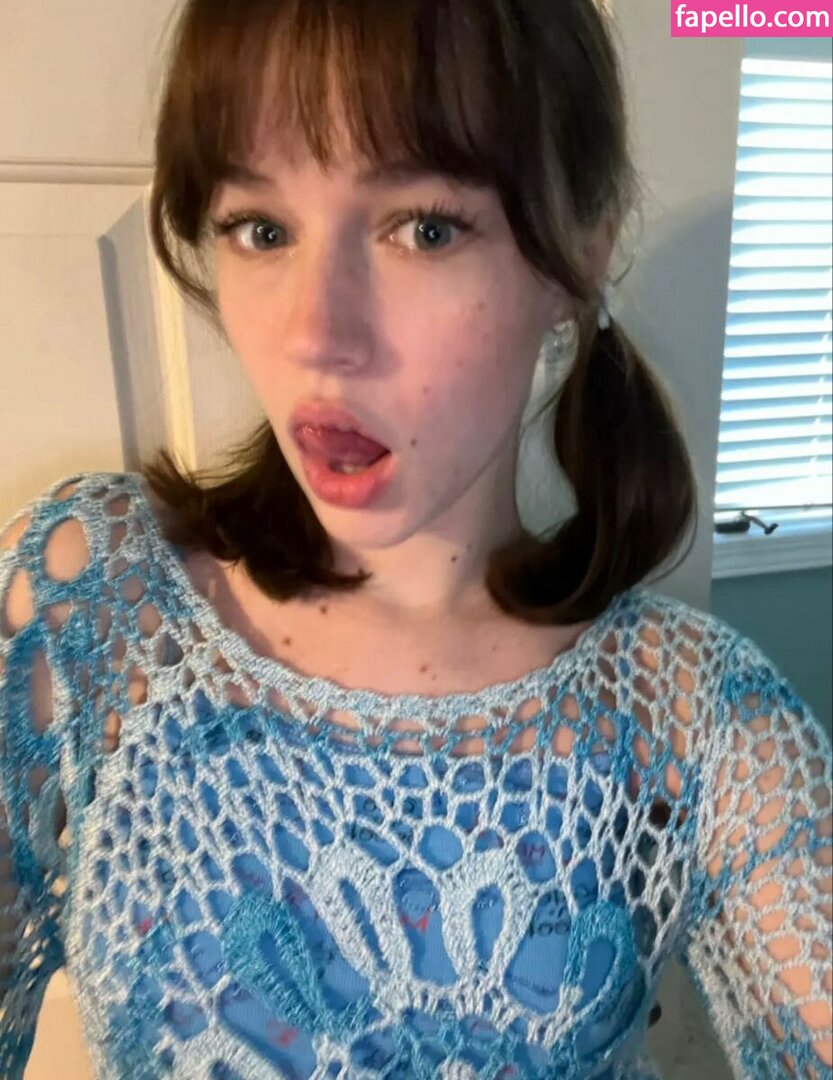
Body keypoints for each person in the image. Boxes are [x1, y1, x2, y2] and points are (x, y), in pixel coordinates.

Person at [1, 0, 830, 1077]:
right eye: (260, 228)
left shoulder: (693, 721)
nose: (316, 337)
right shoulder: (89, 612)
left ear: (577, 259)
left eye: (424, 229)